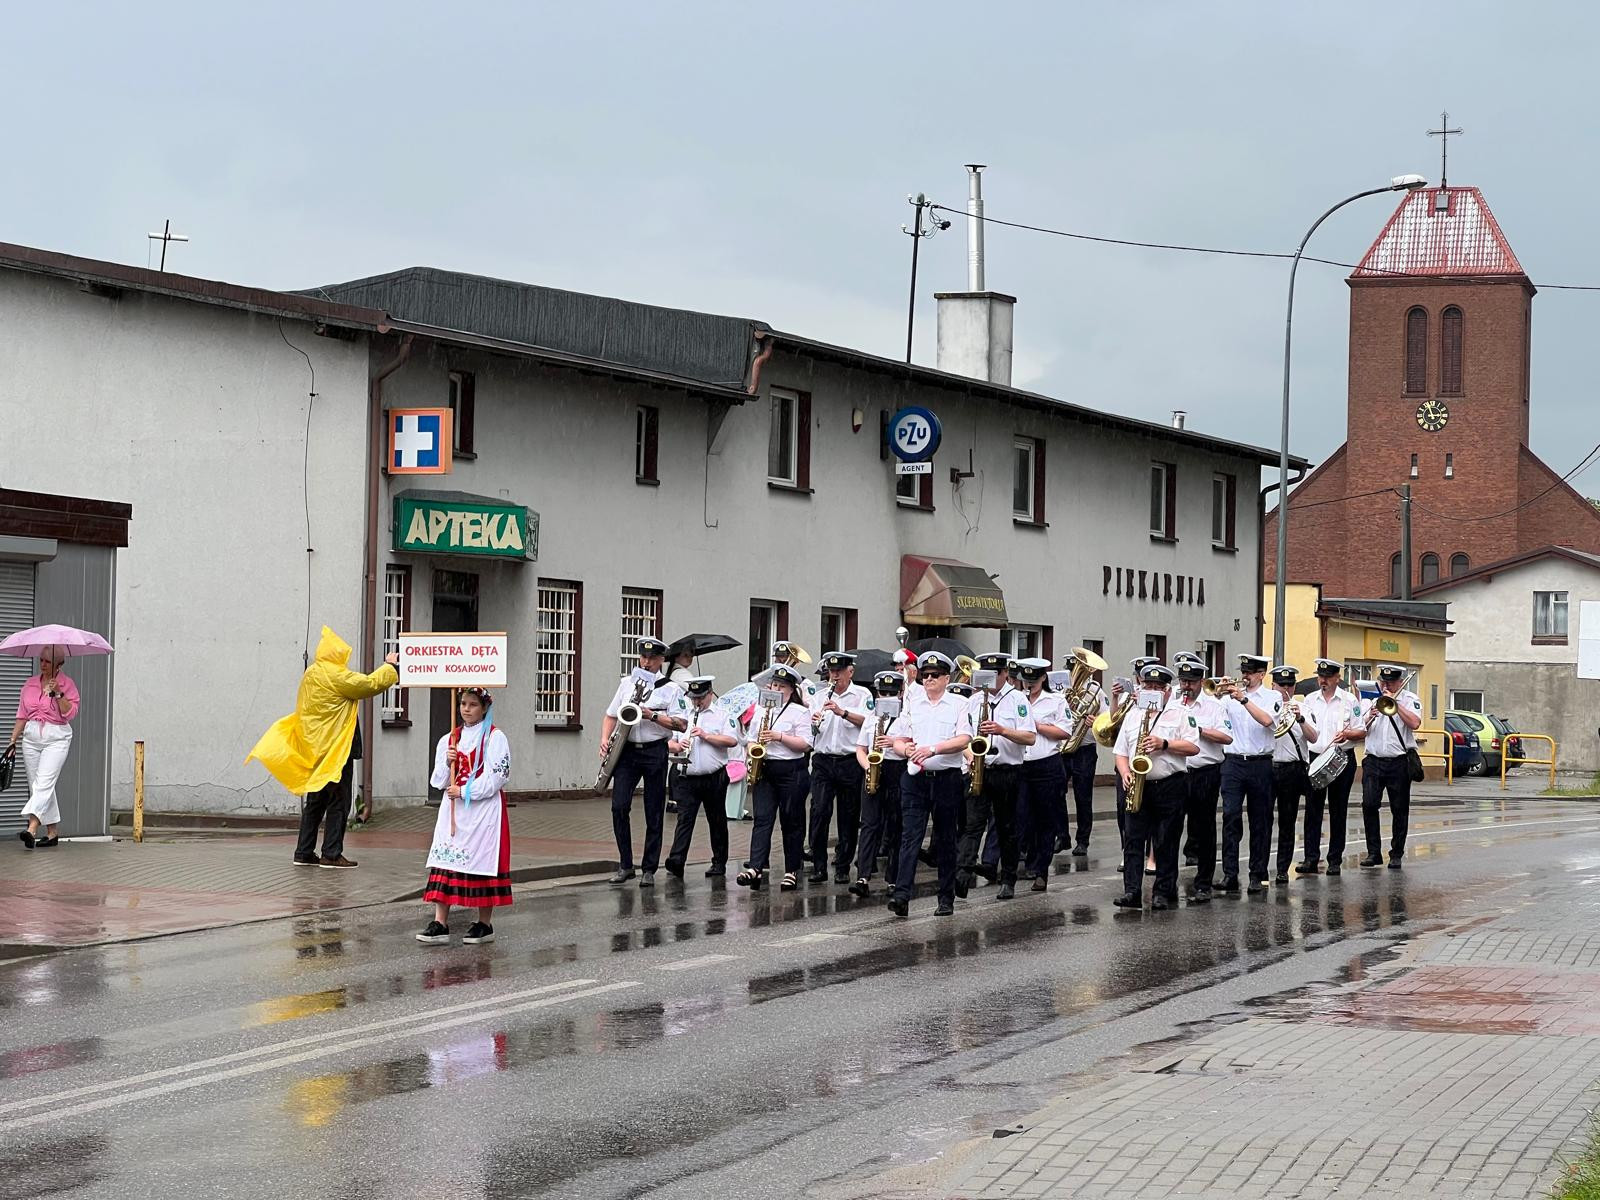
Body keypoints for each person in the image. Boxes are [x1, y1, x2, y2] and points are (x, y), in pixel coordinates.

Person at [247, 626, 398, 869]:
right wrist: (390, 666)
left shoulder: (311, 673)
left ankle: (304, 852)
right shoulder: (336, 675)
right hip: (335, 750)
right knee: (339, 801)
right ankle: (331, 854)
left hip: (314, 747)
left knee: (315, 801)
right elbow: (368, 684)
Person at [415, 687, 512, 945]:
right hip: (454, 811)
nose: (466, 709)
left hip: (483, 812)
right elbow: (437, 781)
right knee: (446, 861)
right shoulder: (450, 739)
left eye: (473, 704)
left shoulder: (495, 738)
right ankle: (440, 922)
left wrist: (466, 790)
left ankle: (484, 924)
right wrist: (447, 763)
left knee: (482, 863)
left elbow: (498, 777)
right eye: (463, 704)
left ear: (484, 708)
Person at [886, 651, 973, 918]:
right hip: (915, 779)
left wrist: (933, 749)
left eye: (935, 675)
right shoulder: (913, 703)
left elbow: (964, 739)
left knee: (946, 839)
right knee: (910, 837)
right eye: (925, 675)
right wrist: (904, 750)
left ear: (947, 678)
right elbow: (897, 738)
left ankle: (946, 898)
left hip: (946, 779)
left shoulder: (958, 704)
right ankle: (901, 896)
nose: (929, 679)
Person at [599, 636, 686, 886]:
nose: (646, 662)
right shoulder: (627, 684)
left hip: (654, 750)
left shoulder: (671, 688)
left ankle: (649, 868)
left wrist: (652, 715)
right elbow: (610, 715)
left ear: (661, 660)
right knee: (619, 806)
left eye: (652, 658)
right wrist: (604, 739)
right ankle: (626, 864)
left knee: (654, 809)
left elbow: (681, 723)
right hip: (627, 750)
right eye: (643, 657)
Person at [1112, 663, 1198, 911]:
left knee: (1165, 840)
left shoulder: (1181, 713)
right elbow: (1120, 751)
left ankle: (1163, 891)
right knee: (1133, 839)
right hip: (1138, 784)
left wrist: (1164, 743)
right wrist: (1125, 773)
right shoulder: (1133, 715)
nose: (1151, 690)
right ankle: (1131, 891)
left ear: (1167, 691)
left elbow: (1193, 747)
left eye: (1157, 687)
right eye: (1147, 686)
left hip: (1169, 784)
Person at [956, 654, 1035, 901]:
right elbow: (963, 736)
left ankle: (1008, 879)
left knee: (1006, 827)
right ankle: (963, 874)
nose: (988, 680)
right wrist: (970, 756)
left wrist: (1002, 730)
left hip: (1007, 771)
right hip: (980, 768)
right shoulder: (974, 700)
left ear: (1004, 674)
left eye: (994, 674)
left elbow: (1030, 737)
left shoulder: (1018, 699)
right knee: (972, 825)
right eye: (985, 674)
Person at [736, 665, 813, 891]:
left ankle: (791, 870)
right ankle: (756, 867)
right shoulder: (761, 710)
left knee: (791, 821)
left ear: (791, 690)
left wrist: (779, 736)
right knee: (762, 819)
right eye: (774, 685)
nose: (776, 689)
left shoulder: (799, 712)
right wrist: (752, 750)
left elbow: (806, 744)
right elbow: (750, 739)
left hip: (791, 770)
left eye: (781, 687)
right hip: (766, 768)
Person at [663, 676, 739, 879]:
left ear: (710, 694)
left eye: (701, 698)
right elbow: (668, 742)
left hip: (713, 777)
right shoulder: (683, 716)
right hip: (686, 776)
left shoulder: (722, 715)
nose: (696, 702)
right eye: (694, 698)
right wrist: (678, 746)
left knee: (717, 819)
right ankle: (677, 861)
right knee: (684, 818)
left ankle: (719, 862)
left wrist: (706, 736)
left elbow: (731, 740)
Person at [807, 652, 872, 883]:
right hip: (823, 760)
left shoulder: (862, 694)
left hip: (849, 761)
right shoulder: (819, 696)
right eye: (831, 672)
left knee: (849, 816)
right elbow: (810, 731)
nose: (834, 676)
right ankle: (819, 866)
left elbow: (868, 722)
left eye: (839, 672)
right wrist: (814, 723)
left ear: (850, 672)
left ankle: (843, 866)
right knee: (819, 812)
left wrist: (841, 712)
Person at [1216, 653, 1278, 895]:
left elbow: (1266, 721)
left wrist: (1243, 699)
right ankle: (1230, 874)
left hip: (1260, 764)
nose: (1245, 676)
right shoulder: (1228, 698)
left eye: (1250, 673)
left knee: (1260, 821)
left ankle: (1257, 874)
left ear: (1261, 674)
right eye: (1243, 672)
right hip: (1232, 763)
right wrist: (1218, 693)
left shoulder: (1272, 697)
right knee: (1230, 816)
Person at [9, 645, 79, 849]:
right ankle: (52, 832)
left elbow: (71, 713)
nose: (43, 664)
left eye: (48, 661)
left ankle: (31, 828)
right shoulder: (30, 684)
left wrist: (58, 694)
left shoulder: (67, 684)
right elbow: (22, 715)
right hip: (31, 738)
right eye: (41, 660)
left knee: (44, 783)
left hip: (56, 737)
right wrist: (12, 740)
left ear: (58, 664)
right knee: (38, 785)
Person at [1173, 658, 1231, 902]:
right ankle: (1167, 885)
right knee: (1171, 828)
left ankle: (1203, 884)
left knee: (1204, 829)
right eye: (1183, 681)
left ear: (1201, 682)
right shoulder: (1173, 704)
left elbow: (1227, 737)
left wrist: (1199, 731)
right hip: (1177, 772)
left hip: (1205, 772)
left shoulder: (1214, 706)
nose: (1187, 686)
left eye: (1191, 682)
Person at [1300, 658, 1362, 874]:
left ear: (1337, 678)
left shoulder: (1349, 700)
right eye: (1320, 676)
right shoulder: (1310, 699)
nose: (1323, 680)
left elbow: (1361, 731)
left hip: (1341, 757)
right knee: (1312, 810)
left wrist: (1347, 734)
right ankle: (1310, 858)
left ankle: (1334, 860)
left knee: (1338, 809)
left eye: (1327, 677)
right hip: (1315, 756)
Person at [1358, 663, 1420, 869]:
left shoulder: (1410, 699)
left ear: (1400, 682)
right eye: (1384, 682)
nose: (1386, 686)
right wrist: (1369, 716)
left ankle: (1396, 853)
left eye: (1391, 682)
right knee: (1369, 805)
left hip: (1398, 762)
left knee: (1399, 809)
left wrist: (1395, 704)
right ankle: (1373, 852)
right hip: (1373, 760)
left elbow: (1415, 723)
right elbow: (1360, 729)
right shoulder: (1370, 700)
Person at [851, 670, 907, 898]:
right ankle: (863, 876)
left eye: (891, 694)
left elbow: (910, 748)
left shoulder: (907, 719)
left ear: (900, 693)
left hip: (897, 770)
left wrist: (893, 743)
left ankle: (893, 878)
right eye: (882, 693)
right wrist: (868, 766)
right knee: (869, 824)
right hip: (873, 769)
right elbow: (860, 748)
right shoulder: (872, 718)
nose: (886, 698)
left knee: (895, 825)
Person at [1017, 659, 1070, 890]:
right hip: (1021, 765)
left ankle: (1041, 871)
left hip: (1047, 765)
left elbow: (1065, 731)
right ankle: (1028, 862)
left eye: (1034, 680)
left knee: (1045, 820)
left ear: (1043, 679)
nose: (1030, 685)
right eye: (1026, 681)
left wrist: (1036, 726)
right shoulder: (1016, 699)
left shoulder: (1056, 700)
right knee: (1023, 819)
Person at [1267, 665, 1318, 884]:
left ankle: (1282, 869)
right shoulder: (1264, 707)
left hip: (1292, 769)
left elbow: (1314, 738)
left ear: (1294, 687)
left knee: (1287, 822)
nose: (1285, 689)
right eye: (1281, 685)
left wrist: (1301, 719)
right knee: (1263, 821)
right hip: (1267, 767)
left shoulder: (1303, 708)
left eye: (1289, 685)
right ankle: (1259, 870)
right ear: (1273, 686)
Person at [1061, 657, 1107, 856]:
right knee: (1056, 794)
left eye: (1077, 671)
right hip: (1062, 749)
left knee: (1083, 797)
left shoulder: (1096, 692)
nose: (1074, 676)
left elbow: (1106, 720)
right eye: (1072, 671)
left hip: (1085, 750)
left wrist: (1094, 721)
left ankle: (1082, 840)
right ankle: (1062, 835)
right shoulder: (1060, 690)